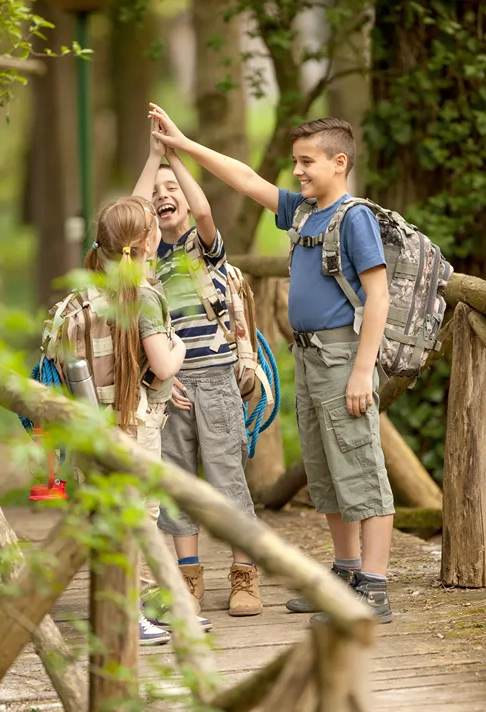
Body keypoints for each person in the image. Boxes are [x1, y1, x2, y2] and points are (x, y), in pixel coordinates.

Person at [149, 105, 395, 623]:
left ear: (339, 162)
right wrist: (185, 145)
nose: (298, 171)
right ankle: (345, 572)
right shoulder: (303, 211)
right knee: (325, 472)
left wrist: (360, 370)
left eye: (307, 162)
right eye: (295, 163)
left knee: (360, 468)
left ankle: (374, 586)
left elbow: (378, 297)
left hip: (341, 357)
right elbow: (243, 179)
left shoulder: (355, 218)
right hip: (307, 357)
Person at [132, 115, 263, 619]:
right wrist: (152, 158)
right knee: (179, 482)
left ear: (184, 201)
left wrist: (177, 153)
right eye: (158, 192)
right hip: (171, 385)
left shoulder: (203, 249)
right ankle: (187, 581)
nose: (164, 195)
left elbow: (204, 207)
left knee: (228, 479)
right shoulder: (145, 258)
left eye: (173, 190)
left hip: (217, 382)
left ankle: (244, 575)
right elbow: (135, 210)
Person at [86, 186, 187, 644]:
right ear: (148, 243)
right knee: (140, 515)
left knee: (116, 513)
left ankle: (130, 607)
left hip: (105, 415)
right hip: (135, 421)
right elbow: (163, 363)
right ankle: (129, 616)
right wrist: (179, 346)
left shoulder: (103, 286)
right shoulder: (142, 294)